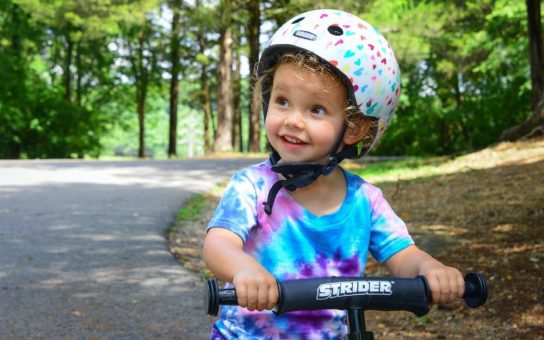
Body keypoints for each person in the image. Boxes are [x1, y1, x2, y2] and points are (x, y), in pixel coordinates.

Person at [203, 9, 465, 339]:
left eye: (316, 109)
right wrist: (244, 270)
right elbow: (218, 244)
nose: (293, 120)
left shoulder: (365, 201)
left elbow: (404, 256)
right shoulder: (252, 186)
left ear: (354, 127)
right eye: (282, 101)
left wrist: (430, 269)